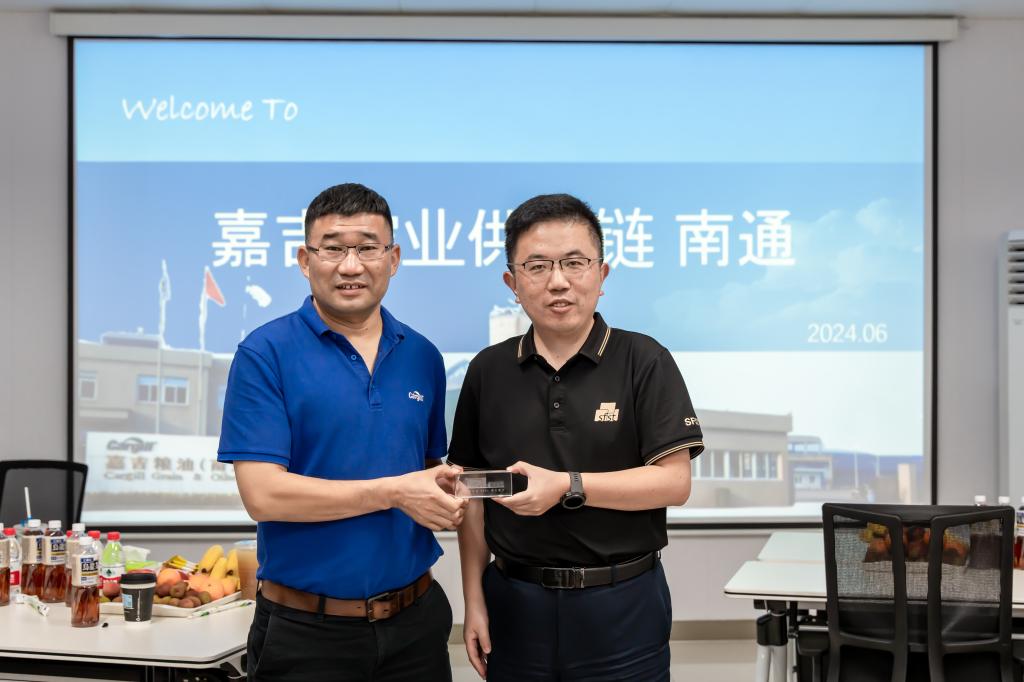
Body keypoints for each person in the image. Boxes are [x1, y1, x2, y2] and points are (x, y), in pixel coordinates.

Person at [449, 193, 705, 681]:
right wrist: (474, 600)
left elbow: (674, 483)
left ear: (601, 275)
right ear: (513, 283)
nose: (558, 281)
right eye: (537, 266)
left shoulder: (644, 360)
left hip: (623, 603)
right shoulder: (487, 371)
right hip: (514, 604)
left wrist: (568, 485)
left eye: (574, 263)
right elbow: (474, 496)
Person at [218, 183, 467, 681]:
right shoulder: (265, 353)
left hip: (415, 623)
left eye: (368, 248)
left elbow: (421, 468)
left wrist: (444, 490)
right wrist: (394, 492)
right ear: (304, 260)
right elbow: (263, 496)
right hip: (307, 632)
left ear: (393, 259)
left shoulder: (423, 356)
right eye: (333, 249)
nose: (351, 266)